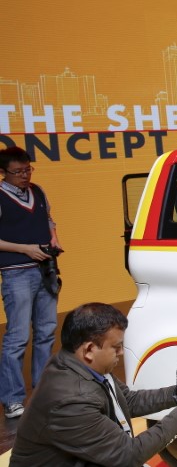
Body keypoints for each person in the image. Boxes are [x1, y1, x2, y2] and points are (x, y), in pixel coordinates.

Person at [9, 302, 177, 465]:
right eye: (116, 347)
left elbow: (130, 401)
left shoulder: (80, 363)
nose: (121, 352)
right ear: (89, 349)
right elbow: (128, 456)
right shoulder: (71, 401)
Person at [0, 147, 62, 419]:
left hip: (44, 268)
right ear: (4, 173)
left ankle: (42, 390)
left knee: (47, 331)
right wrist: (26, 249)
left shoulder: (38, 190)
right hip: (16, 272)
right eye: (18, 172)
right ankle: (12, 399)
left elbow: (49, 219)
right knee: (17, 338)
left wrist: (54, 240)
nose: (25, 175)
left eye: (28, 169)